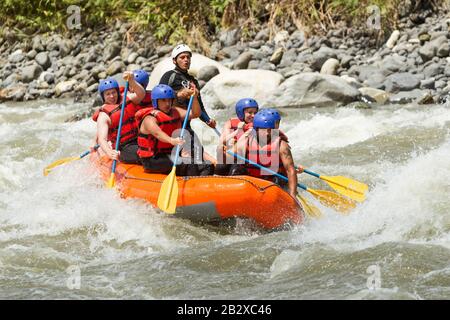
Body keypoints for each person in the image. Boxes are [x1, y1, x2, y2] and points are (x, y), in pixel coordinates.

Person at [159, 44, 216, 168]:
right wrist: (179, 94)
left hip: (186, 124)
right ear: (175, 60)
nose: (186, 60)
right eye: (182, 57)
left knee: (199, 154)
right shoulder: (169, 76)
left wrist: (208, 120)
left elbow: (199, 106)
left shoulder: (193, 81)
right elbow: (158, 97)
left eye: (188, 57)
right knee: (189, 155)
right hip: (170, 122)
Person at [135, 84, 211, 176]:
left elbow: (196, 113)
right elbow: (158, 134)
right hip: (152, 160)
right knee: (190, 164)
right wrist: (172, 140)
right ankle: (191, 186)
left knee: (207, 165)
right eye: (163, 100)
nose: (167, 104)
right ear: (155, 102)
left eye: (169, 100)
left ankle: (202, 186)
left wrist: (194, 98)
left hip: (170, 155)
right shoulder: (149, 119)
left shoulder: (175, 111)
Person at [233, 109, 299, 199]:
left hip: (273, 181)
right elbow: (230, 158)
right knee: (236, 168)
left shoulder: (281, 145)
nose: (267, 133)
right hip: (252, 179)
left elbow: (290, 170)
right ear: (256, 129)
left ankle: (280, 198)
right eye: (264, 130)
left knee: (279, 179)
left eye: (270, 130)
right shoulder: (245, 140)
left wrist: (293, 195)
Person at [93, 71, 145, 163]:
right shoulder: (104, 115)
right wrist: (109, 152)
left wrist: (132, 81)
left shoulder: (127, 98)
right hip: (124, 147)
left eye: (113, 92)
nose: (112, 96)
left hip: (140, 138)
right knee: (146, 153)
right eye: (108, 94)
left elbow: (141, 94)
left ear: (117, 92)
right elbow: (102, 139)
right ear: (103, 96)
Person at [215, 98, 259, 175]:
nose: (253, 115)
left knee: (236, 168)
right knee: (221, 166)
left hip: (247, 161)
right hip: (231, 158)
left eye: (255, 112)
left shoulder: (259, 125)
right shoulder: (230, 123)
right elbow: (223, 141)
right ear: (241, 113)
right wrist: (237, 131)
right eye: (250, 112)